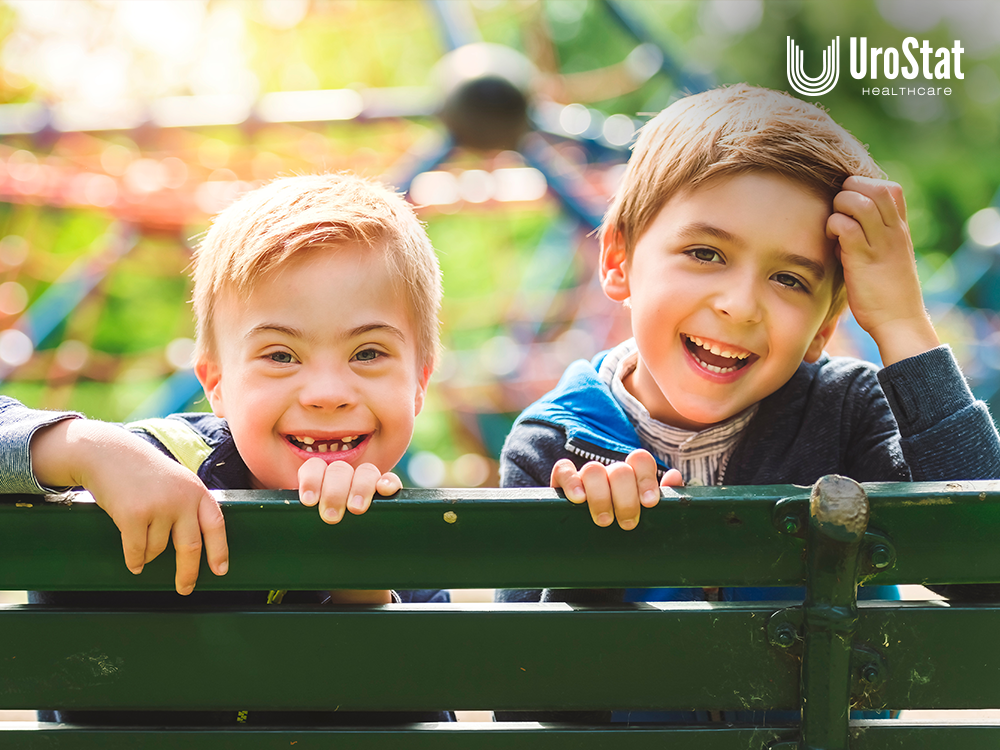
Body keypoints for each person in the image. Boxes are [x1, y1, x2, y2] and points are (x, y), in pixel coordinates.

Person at [495, 84, 1000, 722]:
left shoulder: (850, 414)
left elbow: (987, 571)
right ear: (619, 258)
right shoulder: (553, 446)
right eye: (705, 253)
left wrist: (902, 322)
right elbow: (524, 698)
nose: (739, 304)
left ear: (822, 328)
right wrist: (592, 567)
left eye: (789, 279)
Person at [0, 171, 449, 725]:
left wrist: (364, 596)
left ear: (419, 382)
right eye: (281, 356)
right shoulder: (158, 465)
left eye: (368, 353)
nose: (328, 394)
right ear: (215, 383)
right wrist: (81, 447)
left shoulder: (408, 540)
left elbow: (430, 731)